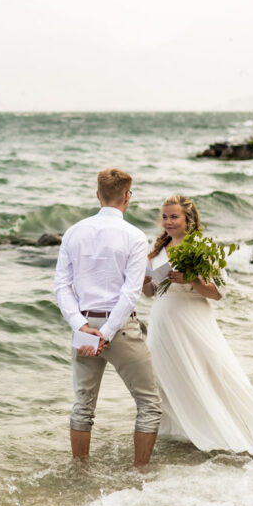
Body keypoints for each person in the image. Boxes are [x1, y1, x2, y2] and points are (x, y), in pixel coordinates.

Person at [142, 194, 253, 455]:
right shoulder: (156, 249)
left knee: (211, 374)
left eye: (174, 216)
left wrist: (191, 280)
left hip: (192, 321)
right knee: (164, 377)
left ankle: (222, 428)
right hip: (162, 321)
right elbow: (149, 293)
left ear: (188, 219)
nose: (168, 222)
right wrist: (142, 280)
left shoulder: (204, 247)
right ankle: (180, 433)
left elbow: (217, 293)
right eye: (165, 217)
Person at [54, 168, 162, 468]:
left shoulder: (74, 232)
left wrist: (82, 326)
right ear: (127, 197)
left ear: (97, 194)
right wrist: (109, 330)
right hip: (121, 328)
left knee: (83, 406)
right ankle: (140, 474)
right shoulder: (135, 237)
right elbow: (130, 293)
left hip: (85, 325)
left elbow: (61, 287)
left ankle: (80, 472)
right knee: (149, 405)